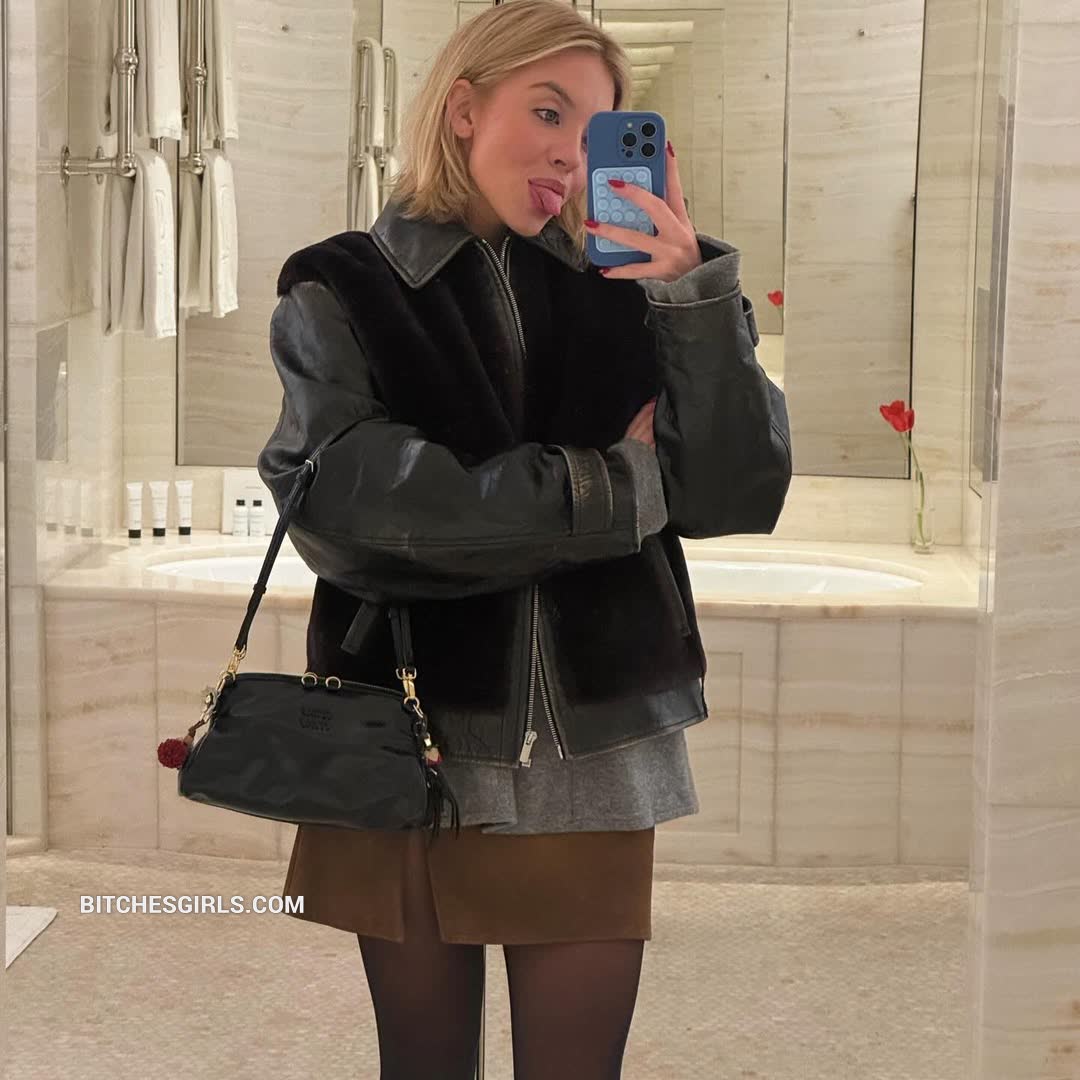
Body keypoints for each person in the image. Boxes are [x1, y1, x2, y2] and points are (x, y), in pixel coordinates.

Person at [256, 1, 791, 1076]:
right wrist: (615, 486)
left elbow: (735, 490)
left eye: (593, 129)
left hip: (596, 741)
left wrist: (693, 298)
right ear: (463, 109)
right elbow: (360, 511)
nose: (567, 152)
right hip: (405, 734)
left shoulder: (634, 289)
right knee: (423, 1064)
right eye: (547, 111)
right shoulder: (339, 286)